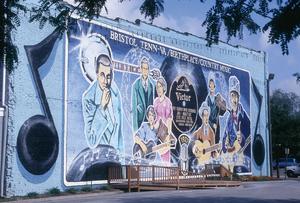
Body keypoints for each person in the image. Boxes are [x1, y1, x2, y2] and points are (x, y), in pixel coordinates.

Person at [82, 54, 124, 156]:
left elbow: (119, 133)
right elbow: (91, 140)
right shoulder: (89, 99)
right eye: (102, 75)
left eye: (108, 76)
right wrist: (101, 108)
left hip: (117, 161)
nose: (105, 81)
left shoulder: (114, 90)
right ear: (96, 74)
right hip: (101, 161)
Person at [222, 76, 250, 156]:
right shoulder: (229, 119)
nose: (234, 99)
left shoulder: (243, 116)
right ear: (229, 98)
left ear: (239, 98)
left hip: (242, 156)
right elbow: (224, 136)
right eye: (232, 95)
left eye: (236, 96)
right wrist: (225, 144)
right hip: (232, 156)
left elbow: (251, 135)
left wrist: (242, 138)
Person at [153, 77, 173, 164]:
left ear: (164, 87)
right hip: (156, 132)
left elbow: (169, 118)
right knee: (156, 153)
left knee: (165, 153)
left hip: (164, 133)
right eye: (157, 87)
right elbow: (153, 117)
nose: (159, 89)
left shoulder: (168, 102)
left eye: (160, 86)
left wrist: (168, 133)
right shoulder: (155, 101)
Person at [132, 57, 154, 132]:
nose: (145, 71)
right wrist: (135, 131)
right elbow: (134, 109)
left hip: (149, 121)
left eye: (147, 69)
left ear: (148, 70)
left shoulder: (152, 85)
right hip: (139, 121)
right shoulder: (136, 85)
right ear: (140, 69)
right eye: (144, 68)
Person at [205, 71, 226, 144]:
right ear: (208, 86)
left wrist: (222, 103)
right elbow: (205, 116)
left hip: (217, 126)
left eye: (212, 84)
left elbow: (222, 112)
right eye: (210, 85)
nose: (211, 86)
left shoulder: (217, 98)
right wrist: (211, 124)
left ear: (214, 86)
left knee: (216, 143)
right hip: (209, 125)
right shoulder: (207, 100)